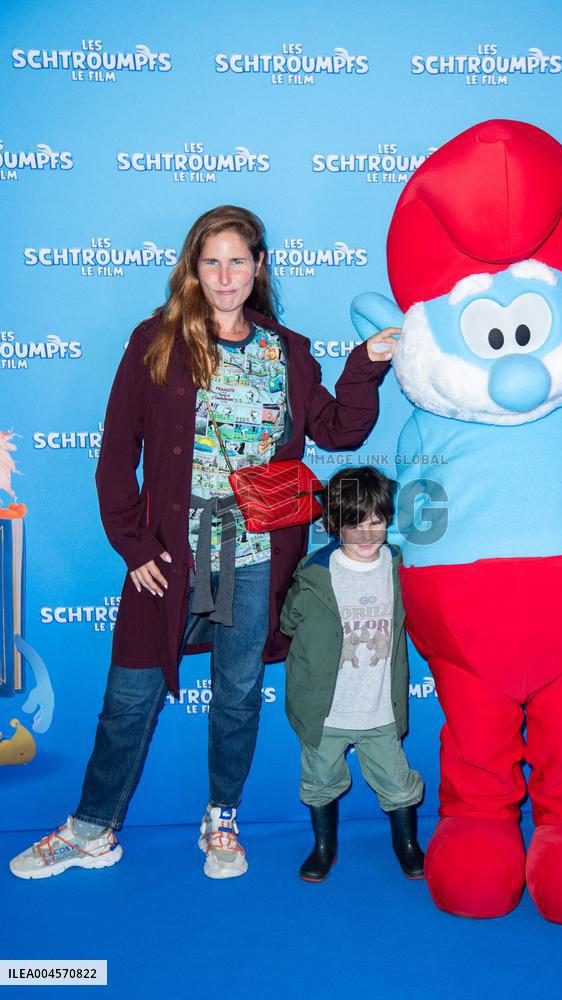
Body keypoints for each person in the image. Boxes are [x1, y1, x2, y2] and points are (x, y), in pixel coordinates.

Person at [9, 206, 397, 881]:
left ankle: (222, 817)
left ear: (258, 267)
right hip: (171, 556)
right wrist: (133, 546)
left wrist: (365, 365)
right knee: (130, 693)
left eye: (237, 261)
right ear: (192, 268)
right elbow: (114, 456)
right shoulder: (156, 341)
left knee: (239, 692)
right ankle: (91, 828)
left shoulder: (287, 351)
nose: (225, 275)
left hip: (255, 558)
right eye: (211, 261)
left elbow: (338, 431)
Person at [280, 466, 425, 882]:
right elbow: (290, 622)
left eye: (375, 522)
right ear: (334, 524)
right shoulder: (313, 573)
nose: (365, 535)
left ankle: (407, 844)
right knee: (319, 781)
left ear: (388, 519)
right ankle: (323, 847)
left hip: (380, 709)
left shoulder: (399, 567)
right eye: (354, 524)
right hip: (325, 711)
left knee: (398, 785)